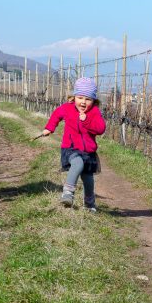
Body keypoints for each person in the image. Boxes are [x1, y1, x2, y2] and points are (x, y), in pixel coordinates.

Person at [41, 77, 106, 211]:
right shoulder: (67, 108)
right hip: (71, 148)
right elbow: (56, 115)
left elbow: (101, 129)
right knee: (77, 163)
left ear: (93, 101)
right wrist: (49, 128)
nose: (83, 102)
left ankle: (89, 204)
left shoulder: (94, 112)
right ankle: (68, 193)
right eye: (80, 97)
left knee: (88, 179)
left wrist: (86, 120)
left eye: (88, 99)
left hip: (88, 152)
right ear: (74, 97)